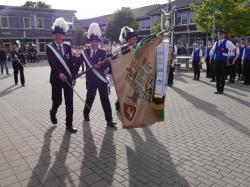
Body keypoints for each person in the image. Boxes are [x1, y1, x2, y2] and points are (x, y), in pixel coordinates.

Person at [77, 23, 117, 128]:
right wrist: (74, 75)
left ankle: (109, 120)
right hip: (90, 81)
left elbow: (106, 65)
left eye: (96, 42)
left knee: (105, 100)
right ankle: (86, 113)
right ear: (90, 42)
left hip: (101, 80)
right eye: (92, 42)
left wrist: (101, 66)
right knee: (90, 98)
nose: (94, 43)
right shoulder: (84, 52)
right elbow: (77, 64)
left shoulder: (103, 52)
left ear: (98, 42)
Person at [46, 17, 77, 133]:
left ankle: (69, 124)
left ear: (63, 35)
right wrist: (59, 73)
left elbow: (71, 64)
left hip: (68, 78)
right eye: (56, 34)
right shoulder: (50, 47)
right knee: (57, 101)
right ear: (54, 35)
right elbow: (52, 64)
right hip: (56, 79)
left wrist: (73, 77)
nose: (58, 36)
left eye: (60, 34)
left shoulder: (67, 47)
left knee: (69, 102)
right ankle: (53, 112)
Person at [115, 26, 138, 112]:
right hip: (125, 72)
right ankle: (118, 104)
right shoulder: (124, 48)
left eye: (135, 39)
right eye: (133, 39)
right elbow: (119, 60)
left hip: (135, 72)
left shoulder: (137, 47)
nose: (135, 41)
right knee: (124, 90)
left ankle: (131, 105)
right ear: (128, 40)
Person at [210, 30, 236, 94]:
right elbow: (212, 51)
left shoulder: (227, 42)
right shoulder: (216, 43)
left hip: (222, 61)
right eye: (218, 34)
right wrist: (211, 56)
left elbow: (234, 49)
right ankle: (218, 89)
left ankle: (221, 90)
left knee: (222, 76)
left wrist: (228, 54)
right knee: (217, 76)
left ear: (224, 35)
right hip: (216, 61)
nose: (219, 35)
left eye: (220, 34)